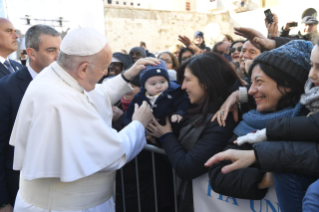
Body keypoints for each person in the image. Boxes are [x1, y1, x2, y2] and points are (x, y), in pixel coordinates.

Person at [9, 27, 158, 212]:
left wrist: (126, 76)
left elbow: (97, 93)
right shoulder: (62, 99)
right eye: (104, 68)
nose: (105, 74)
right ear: (84, 69)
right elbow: (111, 153)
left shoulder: (55, 75)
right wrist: (137, 124)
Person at [208, 40, 311, 201]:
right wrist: (266, 178)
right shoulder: (251, 121)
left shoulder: (311, 120)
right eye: (251, 82)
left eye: (259, 82)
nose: (251, 90)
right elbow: (219, 175)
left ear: (288, 83)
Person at [147, 53, 243, 212]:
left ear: (206, 82)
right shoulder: (191, 110)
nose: (182, 86)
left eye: (187, 80)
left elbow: (188, 167)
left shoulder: (222, 119)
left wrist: (166, 136)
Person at [0, 24, 61, 212]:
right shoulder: (6, 88)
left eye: (61, 50)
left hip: (60, 190)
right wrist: (3, 201)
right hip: (21, 189)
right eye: (51, 51)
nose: (59, 57)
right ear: (31, 54)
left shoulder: (68, 84)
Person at [123, 60, 189, 128]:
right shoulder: (139, 97)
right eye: (153, 84)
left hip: (170, 129)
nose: (159, 86)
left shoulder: (174, 92)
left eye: (162, 82)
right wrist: (127, 124)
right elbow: (130, 113)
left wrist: (180, 113)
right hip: (146, 132)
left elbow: (184, 104)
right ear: (144, 86)